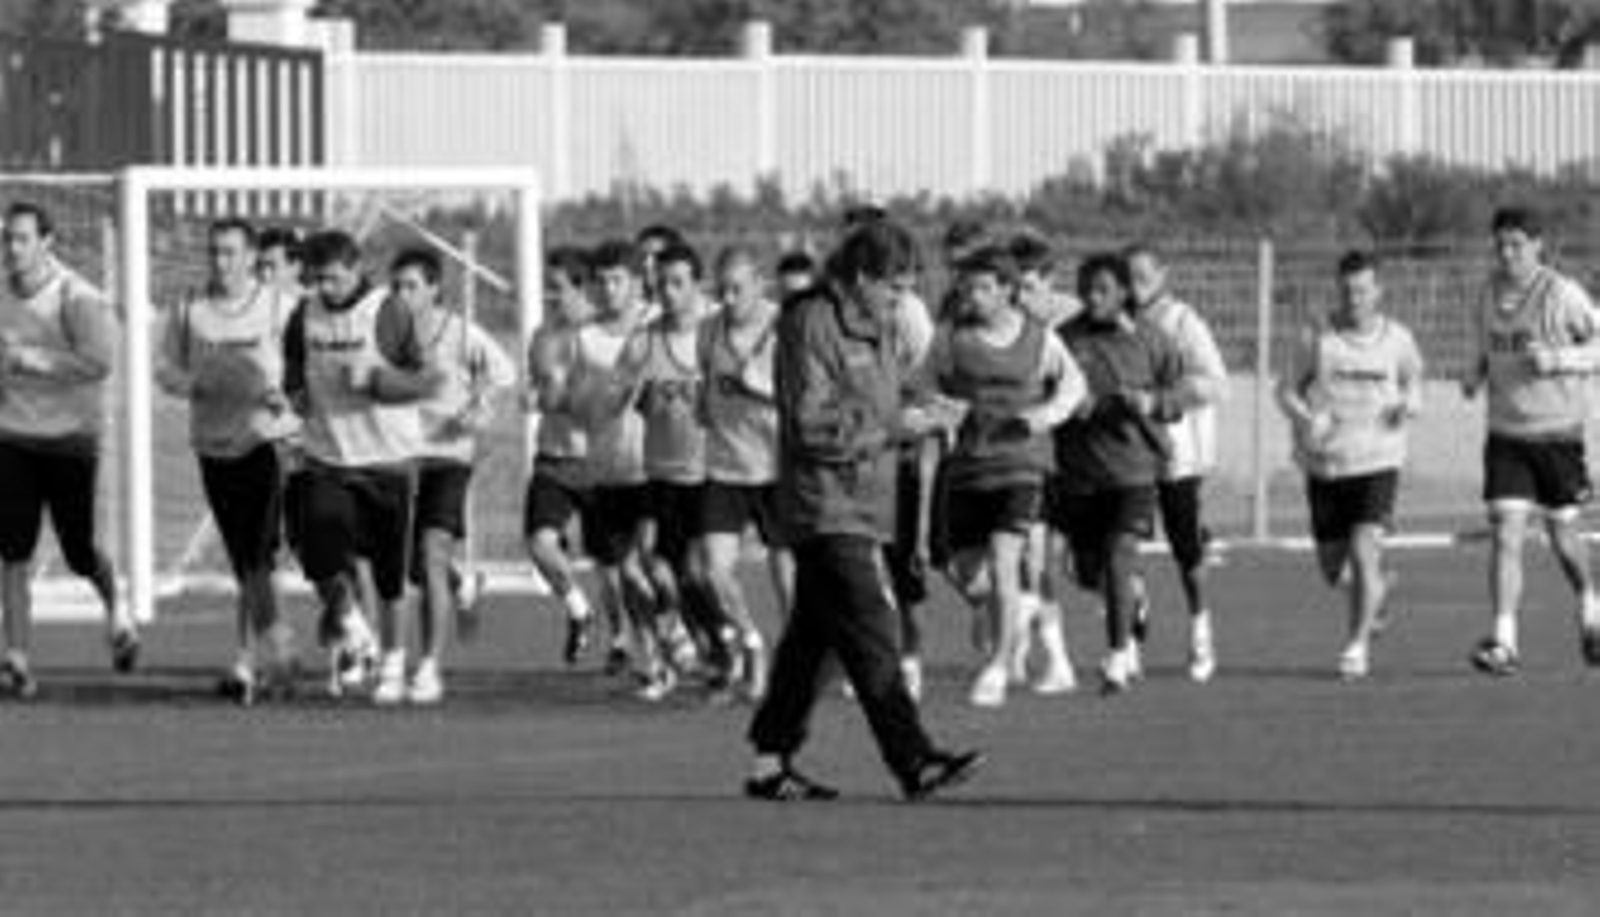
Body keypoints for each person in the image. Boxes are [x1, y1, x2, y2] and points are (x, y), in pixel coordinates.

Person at [745, 219, 981, 803]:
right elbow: (811, 425)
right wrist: (894, 428)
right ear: (858, 277)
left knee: (812, 642)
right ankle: (915, 760)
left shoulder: (874, 325)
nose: (902, 301)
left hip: (864, 503)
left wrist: (924, 409)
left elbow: (878, 401)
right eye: (894, 288)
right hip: (825, 504)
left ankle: (768, 762)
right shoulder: (810, 323)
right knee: (876, 628)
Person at [282, 230, 443, 700]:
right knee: (317, 551)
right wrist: (291, 396)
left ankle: (393, 664)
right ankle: (356, 629)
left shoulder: (387, 310)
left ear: (355, 269)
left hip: (388, 460)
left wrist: (377, 382)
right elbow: (293, 376)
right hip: (328, 458)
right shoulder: (303, 315)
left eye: (332, 278)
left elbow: (426, 380)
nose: (324, 288)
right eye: (316, 279)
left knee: (392, 577)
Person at [923, 245, 1085, 707]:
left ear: (1008, 291)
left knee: (1003, 559)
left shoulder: (1039, 339)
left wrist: (1042, 417)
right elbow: (918, 384)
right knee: (966, 575)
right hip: (968, 469)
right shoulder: (950, 338)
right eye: (967, 286)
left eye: (983, 287)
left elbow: (1074, 385)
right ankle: (1011, 615)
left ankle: (997, 666)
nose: (972, 295)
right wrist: (941, 407)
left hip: (1021, 467)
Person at [156, 218, 300, 704]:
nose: (221, 261)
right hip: (213, 447)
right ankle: (264, 653)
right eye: (214, 252)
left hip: (266, 444)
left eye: (231, 252)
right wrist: (190, 384)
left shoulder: (280, 306)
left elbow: (307, 369)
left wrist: (287, 397)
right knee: (245, 561)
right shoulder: (188, 308)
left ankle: (271, 652)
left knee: (259, 555)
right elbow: (165, 368)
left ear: (251, 256)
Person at [0, 202, 139, 697]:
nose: (11, 249)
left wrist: (36, 362)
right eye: (7, 239)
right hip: (13, 439)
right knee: (11, 552)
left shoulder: (77, 296)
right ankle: (16, 660)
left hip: (71, 442)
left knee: (79, 553)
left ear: (47, 242)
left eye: (21, 239)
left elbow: (99, 363)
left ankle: (116, 608)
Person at [1461, 206, 1600, 675]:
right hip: (1506, 436)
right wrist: (1474, 373)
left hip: (1558, 436)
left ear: (1538, 245)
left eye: (1516, 244)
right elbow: (1486, 346)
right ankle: (1504, 642)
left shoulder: (1562, 294)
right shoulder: (1487, 293)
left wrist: (1559, 358)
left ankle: (1591, 606)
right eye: (1500, 244)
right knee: (1506, 534)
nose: (1506, 253)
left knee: (1563, 535)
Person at [1278, 251, 1423, 680]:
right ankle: (1376, 593)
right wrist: (1308, 418)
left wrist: (1407, 408)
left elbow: (1415, 381)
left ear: (1378, 291)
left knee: (1363, 551)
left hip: (1379, 461)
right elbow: (1284, 390)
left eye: (1362, 289)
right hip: (1326, 466)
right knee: (1333, 570)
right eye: (1346, 289)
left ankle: (1356, 648)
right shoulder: (1317, 337)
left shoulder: (1398, 339)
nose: (1354, 297)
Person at [380, 248, 515, 704]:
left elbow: (503, 373)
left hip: (447, 459)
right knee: (409, 565)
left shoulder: (460, 334)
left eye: (411, 285)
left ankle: (429, 667)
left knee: (430, 552)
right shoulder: (384, 334)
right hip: (398, 458)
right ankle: (463, 585)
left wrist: (475, 410)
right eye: (396, 285)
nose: (402, 294)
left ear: (435, 288)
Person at [1053, 252, 1186, 694]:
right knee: (1089, 571)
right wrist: (1071, 406)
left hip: (1134, 473)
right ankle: (1133, 597)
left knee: (1117, 556)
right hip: (1079, 475)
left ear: (1125, 292)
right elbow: (1046, 392)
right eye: (1086, 290)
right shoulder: (1063, 339)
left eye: (1103, 290)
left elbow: (1178, 397)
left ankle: (1115, 658)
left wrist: (1152, 403)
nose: (1092, 299)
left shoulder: (1153, 339)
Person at [1126, 242, 1229, 683]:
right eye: (1127, 277)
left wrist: (1163, 399)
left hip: (1175, 453)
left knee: (1185, 549)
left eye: (1142, 276)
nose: (1134, 286)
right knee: (1120, 544)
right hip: (1125, 453)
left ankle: (1200, 629)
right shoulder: (1116, 322)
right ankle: (1127, 636)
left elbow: (1215, 383)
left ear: (1162, 275)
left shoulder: (1183, 322)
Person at [619, 240, 716, 700]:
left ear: (699, 286)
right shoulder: (645, 340)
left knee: (698, 573)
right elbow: (621, 398)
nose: (669, 293)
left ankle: (723, 646)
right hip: (658, 472)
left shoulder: (714, 336)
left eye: (678, 283)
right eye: (661, 285)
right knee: (648, 565)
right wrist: (643, 399)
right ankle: (677, 642)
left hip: (710, 472)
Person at [698, 245, 790, 701]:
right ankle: (753, 645)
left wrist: (756, 391)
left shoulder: (784, 327)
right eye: (722, 290)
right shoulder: (708, 329)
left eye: (738, 288)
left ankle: (798, 671)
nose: (729, 298)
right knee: (715, 571)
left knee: (789, 585)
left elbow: (798, 397)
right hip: (724, 468)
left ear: (760, 285)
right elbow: (706, 387)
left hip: (775, 469)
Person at [566, 239, 657, 681]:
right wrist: (599, 396)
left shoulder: (658, 326)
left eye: (617, 279)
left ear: (638, 283)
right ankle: (650, 653)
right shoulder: (585, 339)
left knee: (654, 565)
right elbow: (580, 406)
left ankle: (682, 637)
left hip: (657, 469)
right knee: (623, 571)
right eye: (601, 281)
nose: (608, 289)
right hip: (606, 470)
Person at [523, 246, 602, 664]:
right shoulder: (542, 336)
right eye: (549, 289)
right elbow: (538, 390)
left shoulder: (603, 336)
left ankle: (628, 644)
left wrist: (561, 396)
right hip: (553, 458)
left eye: (559, 289)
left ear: (582, 287)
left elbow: (602, 400)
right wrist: (534, 396)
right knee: (539, 545)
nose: (553, 298)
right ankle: (579, 610)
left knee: (617, 567)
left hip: (601, 462)